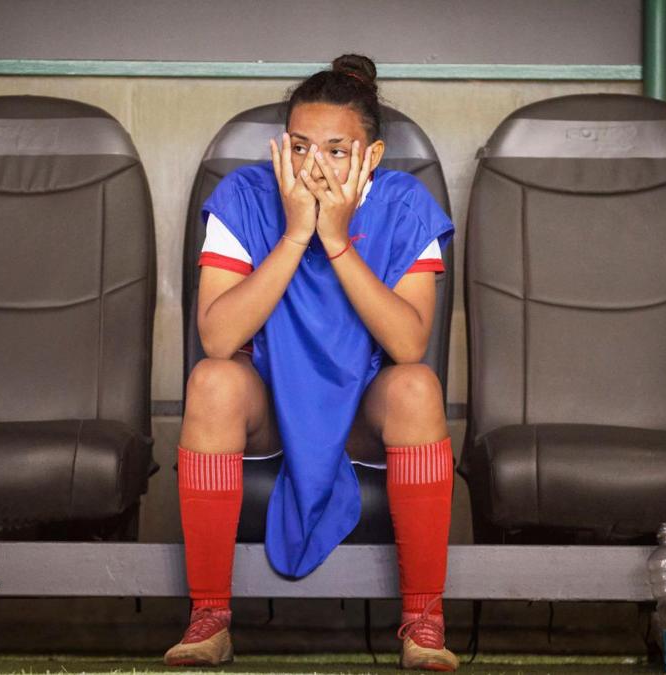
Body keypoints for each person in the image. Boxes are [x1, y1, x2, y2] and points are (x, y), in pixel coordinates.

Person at [165, 54, 458, 671]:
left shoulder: (404, 203)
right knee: (212, 381)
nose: (312, 166)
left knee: (417, 387)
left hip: (359, 409)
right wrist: (297, 234)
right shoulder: (245, 196)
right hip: (272, 404)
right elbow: (218, 337)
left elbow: (409, 345)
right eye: (298, 147)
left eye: (335, 150)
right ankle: (209, 617)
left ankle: (423, 622)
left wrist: (336, 240)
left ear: (371, 157)